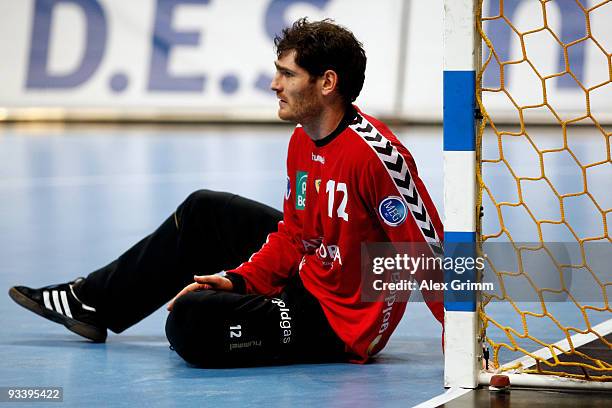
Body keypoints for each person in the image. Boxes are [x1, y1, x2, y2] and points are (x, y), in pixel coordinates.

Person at [9, 18, 444, 367]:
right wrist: (239, 279)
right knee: (203, 211)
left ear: (327, 83)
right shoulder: (302, 138)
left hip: (342, 320)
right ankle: (91, 303)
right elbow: (296, 237)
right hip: (315, 272)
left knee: (189, 323)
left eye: (287, 74)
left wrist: (466, 346)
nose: (274, 84)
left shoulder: (376, 156)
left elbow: (430, 249)